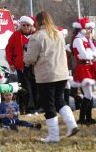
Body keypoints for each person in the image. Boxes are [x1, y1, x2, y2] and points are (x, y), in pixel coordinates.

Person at [24, 11, 79, 143]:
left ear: (37, 21)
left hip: (46, 75)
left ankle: (54, 136)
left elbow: (30, 58)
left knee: (48, 105)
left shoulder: (37, 37)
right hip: (62, 73)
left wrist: (24, 56)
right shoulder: (58, 34)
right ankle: (72, 125)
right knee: (59, 100)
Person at [70, 18, 96, 125]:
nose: (90, 30)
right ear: (82, 28)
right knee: (88, 94)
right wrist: (92, 55)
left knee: (89, 94)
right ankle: (82, 118)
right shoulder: (78, 39)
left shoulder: (85, 39)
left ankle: (88, 118)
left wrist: (91, 43)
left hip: (88, 67)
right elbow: (84, 55)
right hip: (83, 68)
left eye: (91, 28)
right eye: (88, 28)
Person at [6, 15, 38, 114]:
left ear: (31, 26)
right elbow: (9, 49)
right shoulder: (16, 35)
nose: (25, 27)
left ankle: (35, 108)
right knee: (26, 88)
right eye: (23, 25)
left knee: (35, 87)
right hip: (21, 66)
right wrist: (11, 63)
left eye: (27, 25)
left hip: (34, 66)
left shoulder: (36, 35)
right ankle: (29, 110)